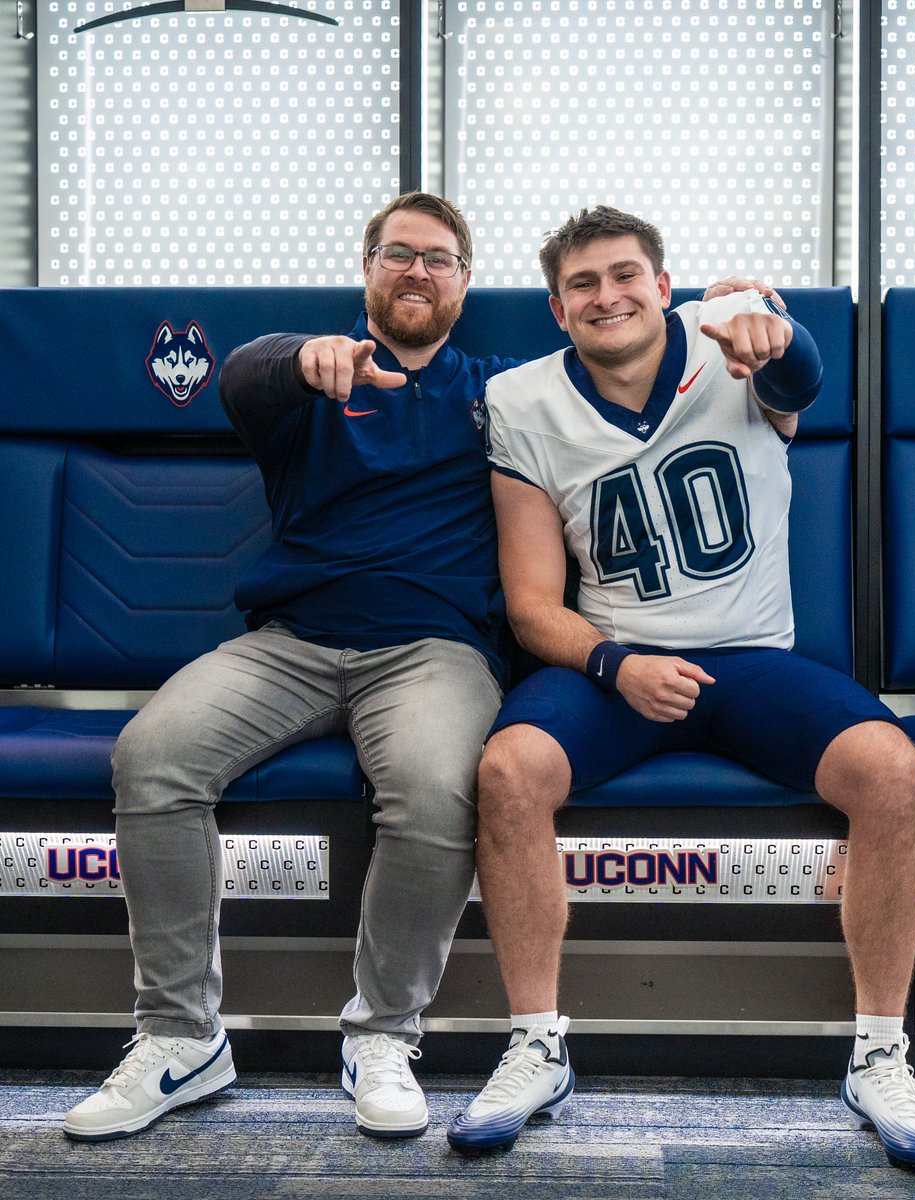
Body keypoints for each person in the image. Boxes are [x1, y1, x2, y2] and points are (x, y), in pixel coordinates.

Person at [445, 206, 915, 1173]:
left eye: (625, 275)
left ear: (662, 284)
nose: (608, 296)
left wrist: (779, 332)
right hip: (616, 666)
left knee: (892, 771)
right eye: (583, 284)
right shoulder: (521, 400)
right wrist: (617, 667)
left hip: (751, 659)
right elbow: (531, 605)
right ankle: (537, 1044)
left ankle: (880, 1055)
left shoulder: (732, 339)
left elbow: (798, 376)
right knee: (508, 773)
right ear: (557, 308)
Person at [62, 192, 522, 1143]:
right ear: (367, 269)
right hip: (293, 643)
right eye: (398, 254)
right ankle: (181, 1036)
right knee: (152, 756)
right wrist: (304, 357)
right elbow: (241, 373)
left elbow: (623, 367)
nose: (418, 271)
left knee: (437, 788)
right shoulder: (313, 378)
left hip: (432, 650)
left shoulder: (500, 391)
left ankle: (382, 1035)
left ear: (465, 283)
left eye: (439, 259)